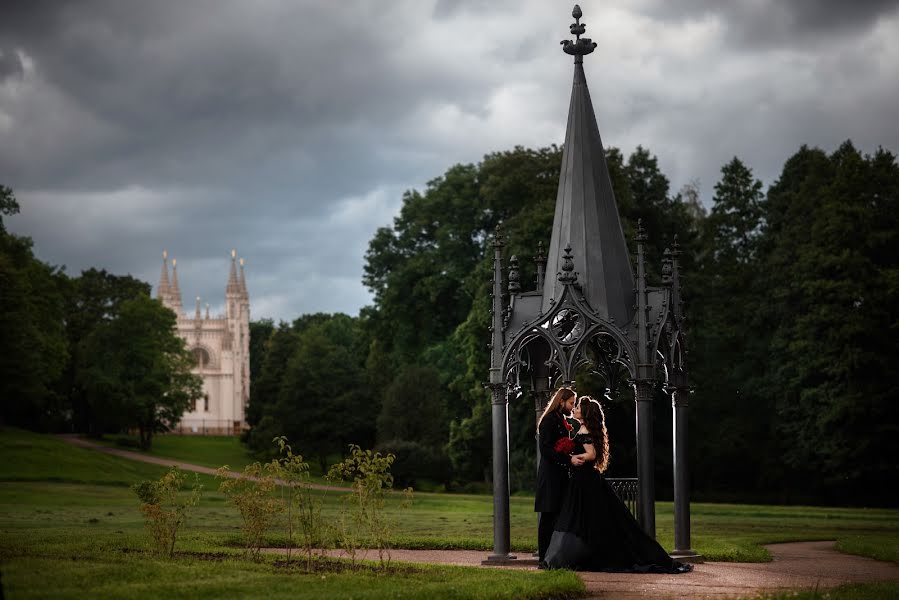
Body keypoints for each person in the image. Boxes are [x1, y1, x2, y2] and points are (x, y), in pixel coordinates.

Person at [544, 395, 693, 573]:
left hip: (585, 481)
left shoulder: (584, 430)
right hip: (585, 480)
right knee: (598, 521)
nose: (575, 409)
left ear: (584, 413)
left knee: (585, 519)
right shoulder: (585, 428)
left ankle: (570, 557)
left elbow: (591, 454)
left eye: (577, 408)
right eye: (574, 406)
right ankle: (581, 555)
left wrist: (573, 457)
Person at [535, 386, 579, 566]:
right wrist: (567, 459)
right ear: (561, 401)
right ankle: (543, 558)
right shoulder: (549, 420)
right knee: (548, 517)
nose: (572, 406)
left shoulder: (561, 419)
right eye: (571, 403)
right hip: (550, 477)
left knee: (558, 517)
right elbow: (545, 450)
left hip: (560, 475)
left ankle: (554, 557)